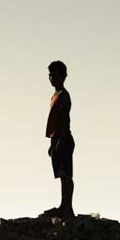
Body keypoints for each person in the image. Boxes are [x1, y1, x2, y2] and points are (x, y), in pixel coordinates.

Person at [45, 60, 74, 219]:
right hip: (56, 138)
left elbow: (64, 118)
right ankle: (64, 206)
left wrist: (61, 140)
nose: (52, 78)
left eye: (55, 75)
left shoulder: (64, 95)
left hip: (64, 138)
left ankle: (67, 207)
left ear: (63, 76)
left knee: (66, 174)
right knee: (61, 174)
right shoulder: (54, 96)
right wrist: (52, 142)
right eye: (50, 75)